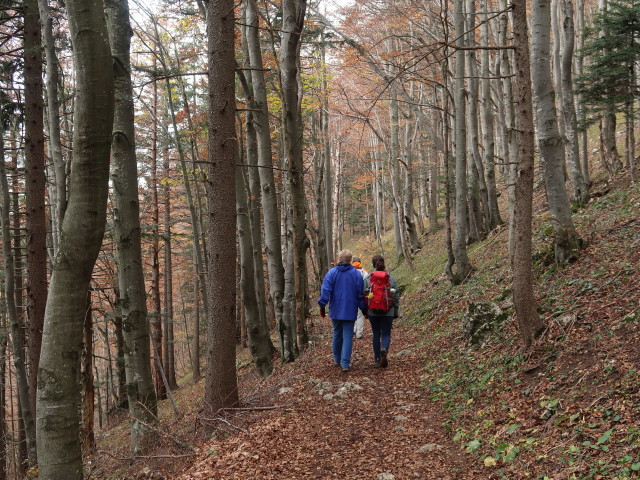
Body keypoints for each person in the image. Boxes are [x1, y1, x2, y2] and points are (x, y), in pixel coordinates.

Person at [318, 249, 366, 372]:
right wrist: (364, 308)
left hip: (336, 309)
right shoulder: (356, 274)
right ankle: (345, 363)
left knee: (337, 333)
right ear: (350, 260)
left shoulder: (332, 273)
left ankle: (336, 359)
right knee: (347, 335)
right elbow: (359, 294)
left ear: (339, 259)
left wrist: (322, 305)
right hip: (350, 309)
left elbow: (326, 291)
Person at [364, 255, 400, 368]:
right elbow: (396, 296)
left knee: (376, 334)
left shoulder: (368, 278)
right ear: (384, 264)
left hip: (373, 312)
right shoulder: (391, 278)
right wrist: (395, 310)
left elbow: (364, 295)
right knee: (386, 333)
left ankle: (377, 359)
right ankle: (384, 349)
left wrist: (366, 311)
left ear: (373, 264)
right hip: (388, 311)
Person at [351, 257, 369, 339]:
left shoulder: (349, 271)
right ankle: (359, 334)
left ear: (353, 262)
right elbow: (367, 286)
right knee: (360, 315)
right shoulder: (364, 272)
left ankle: (353, 330)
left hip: (350, 297)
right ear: (360, 262)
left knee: (352, 314)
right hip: (361, 297)